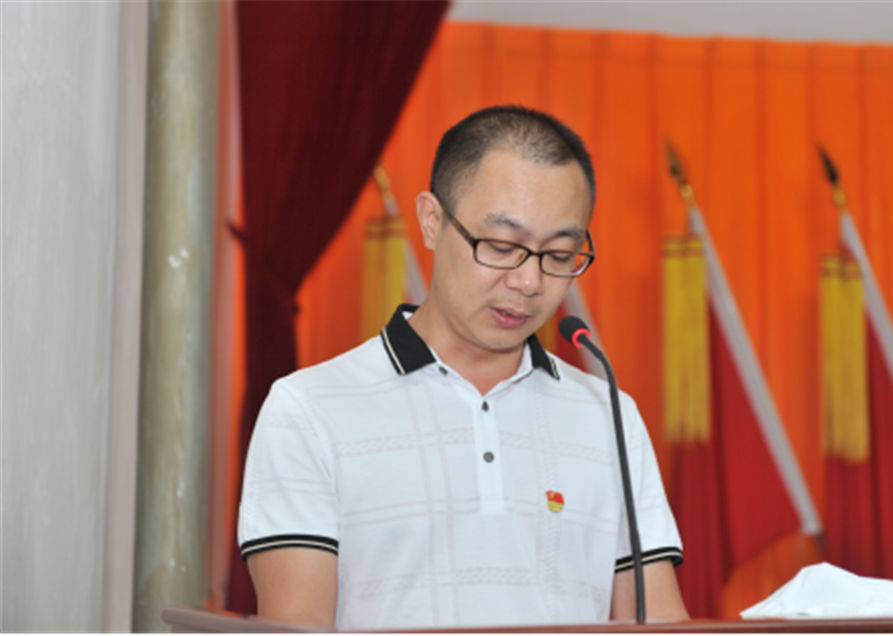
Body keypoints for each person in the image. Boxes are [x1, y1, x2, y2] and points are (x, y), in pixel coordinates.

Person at [237, 105, 689, 629]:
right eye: (501, 246)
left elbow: (659, 620)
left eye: (559, 256)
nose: (529, 283)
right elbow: (297, 623)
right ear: (432, 221)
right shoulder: (308, 410)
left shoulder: (608, 414)